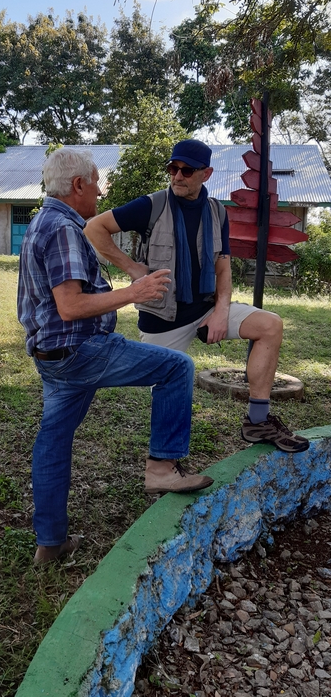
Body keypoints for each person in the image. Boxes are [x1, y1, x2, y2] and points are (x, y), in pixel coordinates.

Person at [17, 147, 214, 565]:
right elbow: (70, 306)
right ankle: (162, 469)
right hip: (81, 351)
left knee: (53, 440)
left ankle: (50, 544)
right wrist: (133, 292)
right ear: (78, 185)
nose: (100, 191)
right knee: (177, 368)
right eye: (95, 183)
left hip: (52, 357)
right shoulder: (64, 229)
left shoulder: (43, 221)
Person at [85, 138, 309, 456]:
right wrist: (134, 269)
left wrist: (221, 312)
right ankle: (165, 462)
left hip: (204, 309)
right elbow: (94, 228)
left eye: (187, 170)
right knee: (169, 385)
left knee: (270, 324)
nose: (177, 176)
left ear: (206, 174)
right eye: (173, 168)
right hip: (162, 319)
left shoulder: (217, 212)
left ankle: (258, 421)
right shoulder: (152, 205)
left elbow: (223, 269)